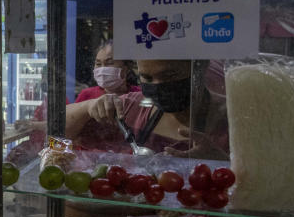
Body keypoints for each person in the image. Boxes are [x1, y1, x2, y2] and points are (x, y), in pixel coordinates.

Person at [65, 59, 229, 159]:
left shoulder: (232, 117)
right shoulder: (131, 107)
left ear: (200, 68)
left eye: (170, 75)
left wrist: (223, 164)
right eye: (147, 77)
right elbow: (56, 131)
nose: (158, 85)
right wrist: (87, 106)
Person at [75, 41, 140, 102]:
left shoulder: (140, 95)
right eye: (98, 64)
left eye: (109, 63)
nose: (102, 69)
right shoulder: (86, 95)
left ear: (126, 68)